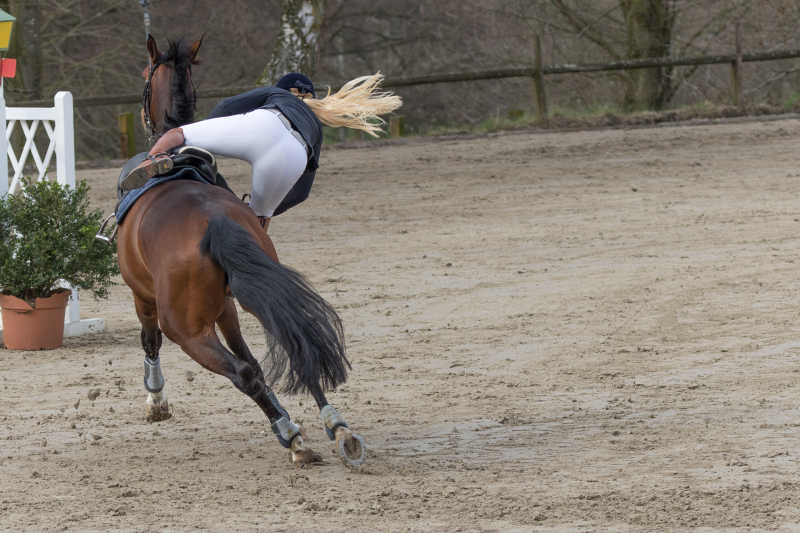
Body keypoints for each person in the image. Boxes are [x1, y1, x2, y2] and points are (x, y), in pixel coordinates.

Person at [120, 72, 402, 251]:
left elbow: (227, 107)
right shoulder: (315, 128)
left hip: (265, 124)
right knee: (257, 220)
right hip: (295, 154)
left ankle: (156, 161)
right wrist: (265, 207)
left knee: (177, 135)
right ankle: (249, 249)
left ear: (286, 89)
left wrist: (209, 132)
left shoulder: (277, 94)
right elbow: (302, 193)